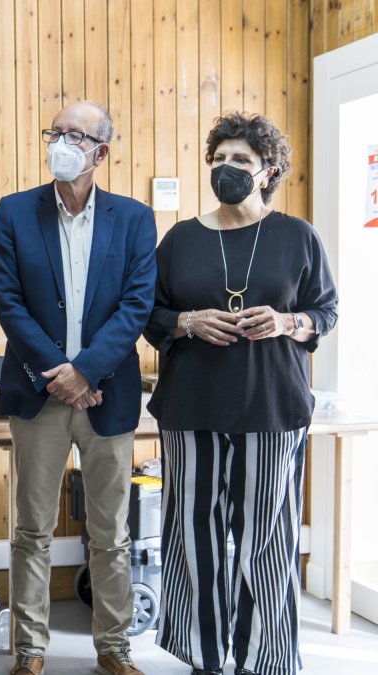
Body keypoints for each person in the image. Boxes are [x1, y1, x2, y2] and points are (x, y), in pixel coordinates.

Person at [144, 113, 338, 675]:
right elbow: (150, 313)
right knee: (193, 535)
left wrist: (288, 322)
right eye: (219, 159)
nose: (226, 168)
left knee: (266, 540)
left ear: (267, 170)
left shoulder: (298, 236)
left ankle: (264, 658)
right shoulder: (180, 239)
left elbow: (325, 311)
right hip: (191, 408)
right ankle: (202, 655)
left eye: (241, 160)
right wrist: (187, 322)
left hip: (272, 407)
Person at [0, 101, 157, 675]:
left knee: (110, 532)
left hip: (108, 395)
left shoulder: (133, 218)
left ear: (100, 153)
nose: (60, 142)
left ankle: (114, 647)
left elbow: (136, 305)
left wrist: (86, 371)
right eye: (55, 132)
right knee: (31, 529)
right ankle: (30, 649)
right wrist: (61, 374)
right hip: (39, 393)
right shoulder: (15, 212)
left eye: (75, 135)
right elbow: (9, 302)